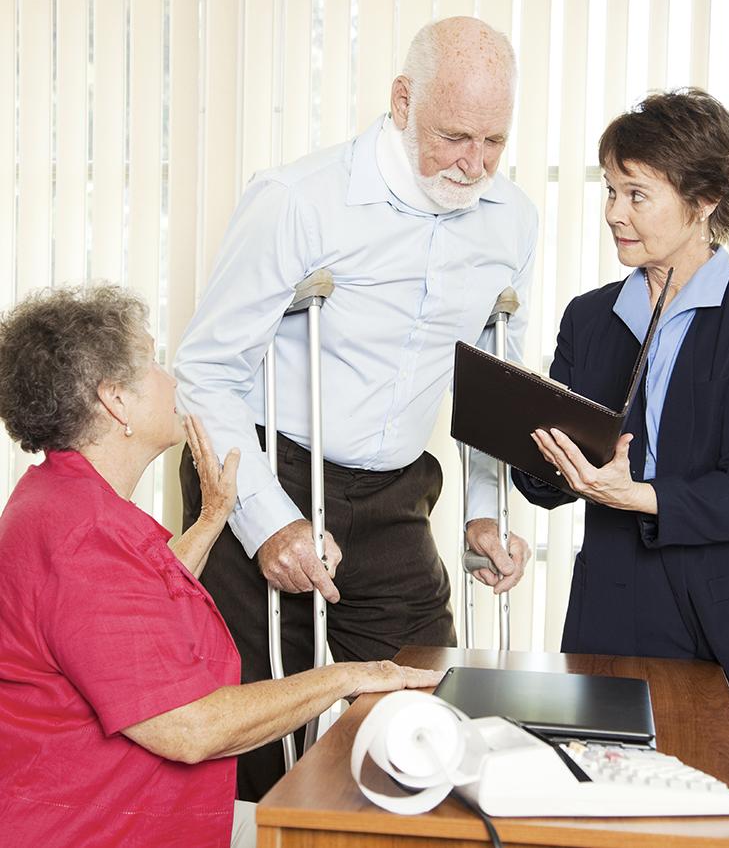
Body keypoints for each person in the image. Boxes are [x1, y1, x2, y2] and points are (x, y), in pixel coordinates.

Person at [175, 16, 536, 800]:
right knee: (255, 731)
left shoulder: (510, 221)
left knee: (422, 716)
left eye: (494, 143)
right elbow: (205, 370)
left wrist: (484, 510)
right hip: (268, 469)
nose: (474, 165)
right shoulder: (299, 201)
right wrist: (267, 520)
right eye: (455, 136)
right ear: (402, 101)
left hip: (395, 489)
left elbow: (493, 379)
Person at [0, 285, 442, 848]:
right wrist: (351, 674)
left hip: (119, 808)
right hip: (97, 827)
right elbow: (190, 728)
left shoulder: (61, 499)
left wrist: (212, 518)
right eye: (155, 362)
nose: (172, 378)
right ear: (115, 400)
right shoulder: (83, 536)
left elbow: (126, 613)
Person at [512, 88, 729, 826]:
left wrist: (641, 496)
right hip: (616, 613)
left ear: (704, 200)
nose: (613, 213)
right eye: (610, 189)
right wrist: (529, 443)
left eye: (637, 193)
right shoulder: (591, 317)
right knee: (606, 823)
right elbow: (553, 481)